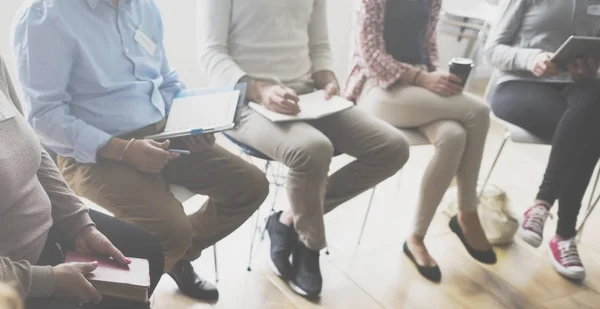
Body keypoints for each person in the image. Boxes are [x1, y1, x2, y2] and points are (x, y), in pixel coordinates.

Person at [13, 0, 270, 301]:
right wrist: (124, 150)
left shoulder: (143, 6)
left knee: (250, 186)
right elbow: (44, 117)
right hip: (90, 152)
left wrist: (193, 122)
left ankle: (172, 257)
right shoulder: (45, 16)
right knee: (171, 230)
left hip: (163, 130)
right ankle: (144, 277)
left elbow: (165, 81)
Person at [198, 0, 409, 298]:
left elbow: (319, 44)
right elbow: (211, 54)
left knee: (392, 147)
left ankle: (287, 219)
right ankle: (310, 244)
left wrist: (326, 76)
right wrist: (260, 91)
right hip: (242, 101)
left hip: (304, 94)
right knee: (312, 149)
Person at [344, 0, 496, 282]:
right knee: (478, 110)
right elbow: (370, 56)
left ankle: (416, 238)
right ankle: (467, 212)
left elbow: (429, 47)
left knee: (454, 136)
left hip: (417, 90)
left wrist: (436, 76)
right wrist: (422, 78)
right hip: (377, 89)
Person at [0, 52, 163, 309]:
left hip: (50, 231)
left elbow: (33, 149)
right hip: (16, 277)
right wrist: (49, 280)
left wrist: (79, 224)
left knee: (148, 252)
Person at [485, 0, 600, 281]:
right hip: (518, 85)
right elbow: (492, 50)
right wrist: (532, 58)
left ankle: (541, 206)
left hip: (578, 91)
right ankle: (564, 235)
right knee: (591, 127)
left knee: (592, 112)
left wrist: (591, 67)